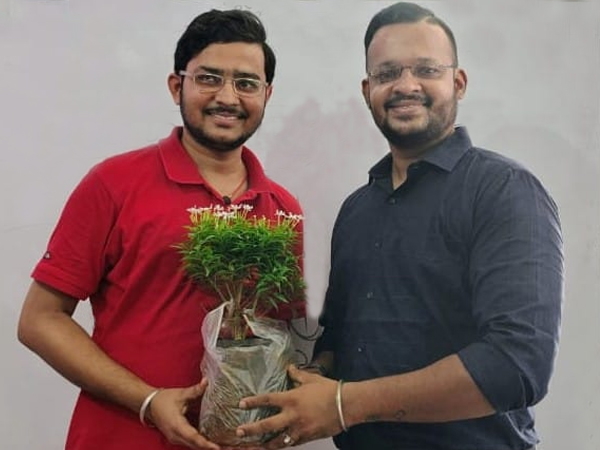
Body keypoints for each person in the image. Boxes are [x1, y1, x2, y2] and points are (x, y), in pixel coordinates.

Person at [235, 2, 563, 450]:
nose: (406, 85)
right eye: (388, 73)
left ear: (458, 82)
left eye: (426, 69)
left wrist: (343, 404)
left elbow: (517, 365)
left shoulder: (504, 191)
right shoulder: (356, 211)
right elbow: (342, 337)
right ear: (368, 89)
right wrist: (307, 379)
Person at [17, 8, 304, 450]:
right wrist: (148, 401)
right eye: (209, 78)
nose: (227, 97)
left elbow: (280, 339)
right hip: (119, 439)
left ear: (266, 95)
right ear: (176, 86)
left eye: (246, 83)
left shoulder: (282, 211)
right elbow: (39, 320)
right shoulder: (114, 184)